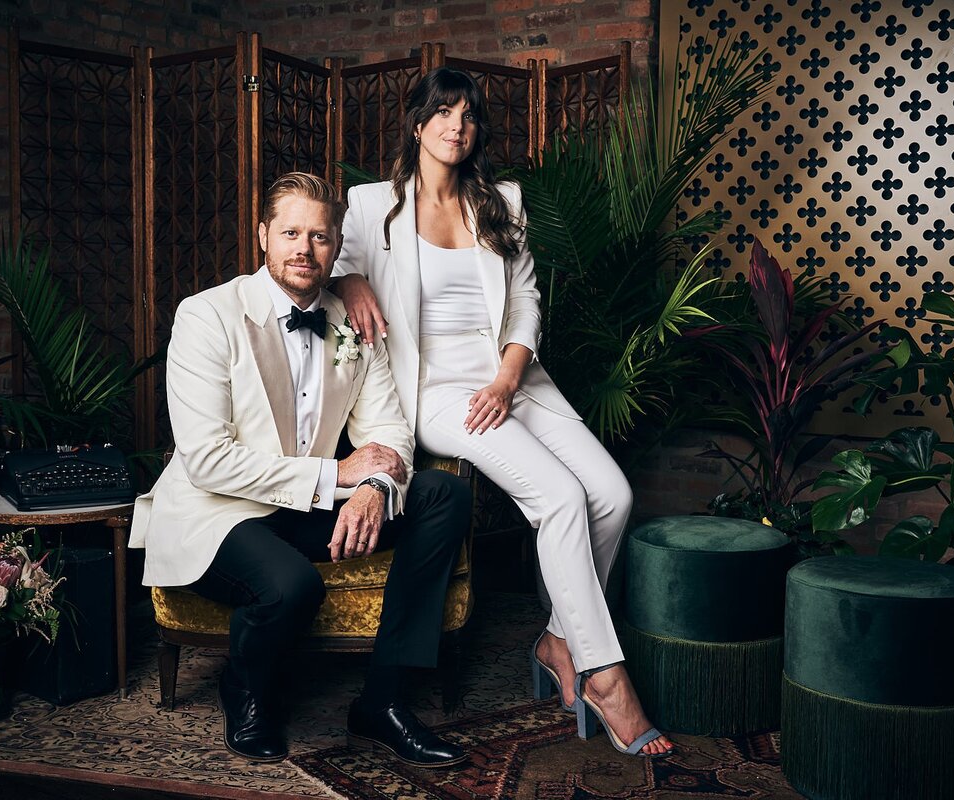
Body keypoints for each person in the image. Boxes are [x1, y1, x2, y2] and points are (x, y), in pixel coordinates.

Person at [332, 68, 674, 758]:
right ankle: (605, 677)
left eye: (469, 115)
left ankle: (557, 638)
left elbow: (525, 302)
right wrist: (353, 278)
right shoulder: (371, 205)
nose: (457, 125)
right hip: (432, 390)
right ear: (417, 122)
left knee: (611, 493)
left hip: (511, 376)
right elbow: (329, 259)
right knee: (557, 497)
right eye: (443, 112)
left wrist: (510, 377)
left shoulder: (501, 201)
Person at [128, 172, 470, 768]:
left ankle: (383, 701)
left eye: (319, 236)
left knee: (442, 494)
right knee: (292, 585)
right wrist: (340, 476)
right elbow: (207, 458)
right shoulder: (207, 315)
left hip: (307, 508)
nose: (303, 249)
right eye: (290, 232)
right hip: (219, 511)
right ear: (262, 235)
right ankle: (247, 689)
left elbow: (389, 431)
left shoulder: (352, 321)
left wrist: (374, 485)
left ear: (338, 245)